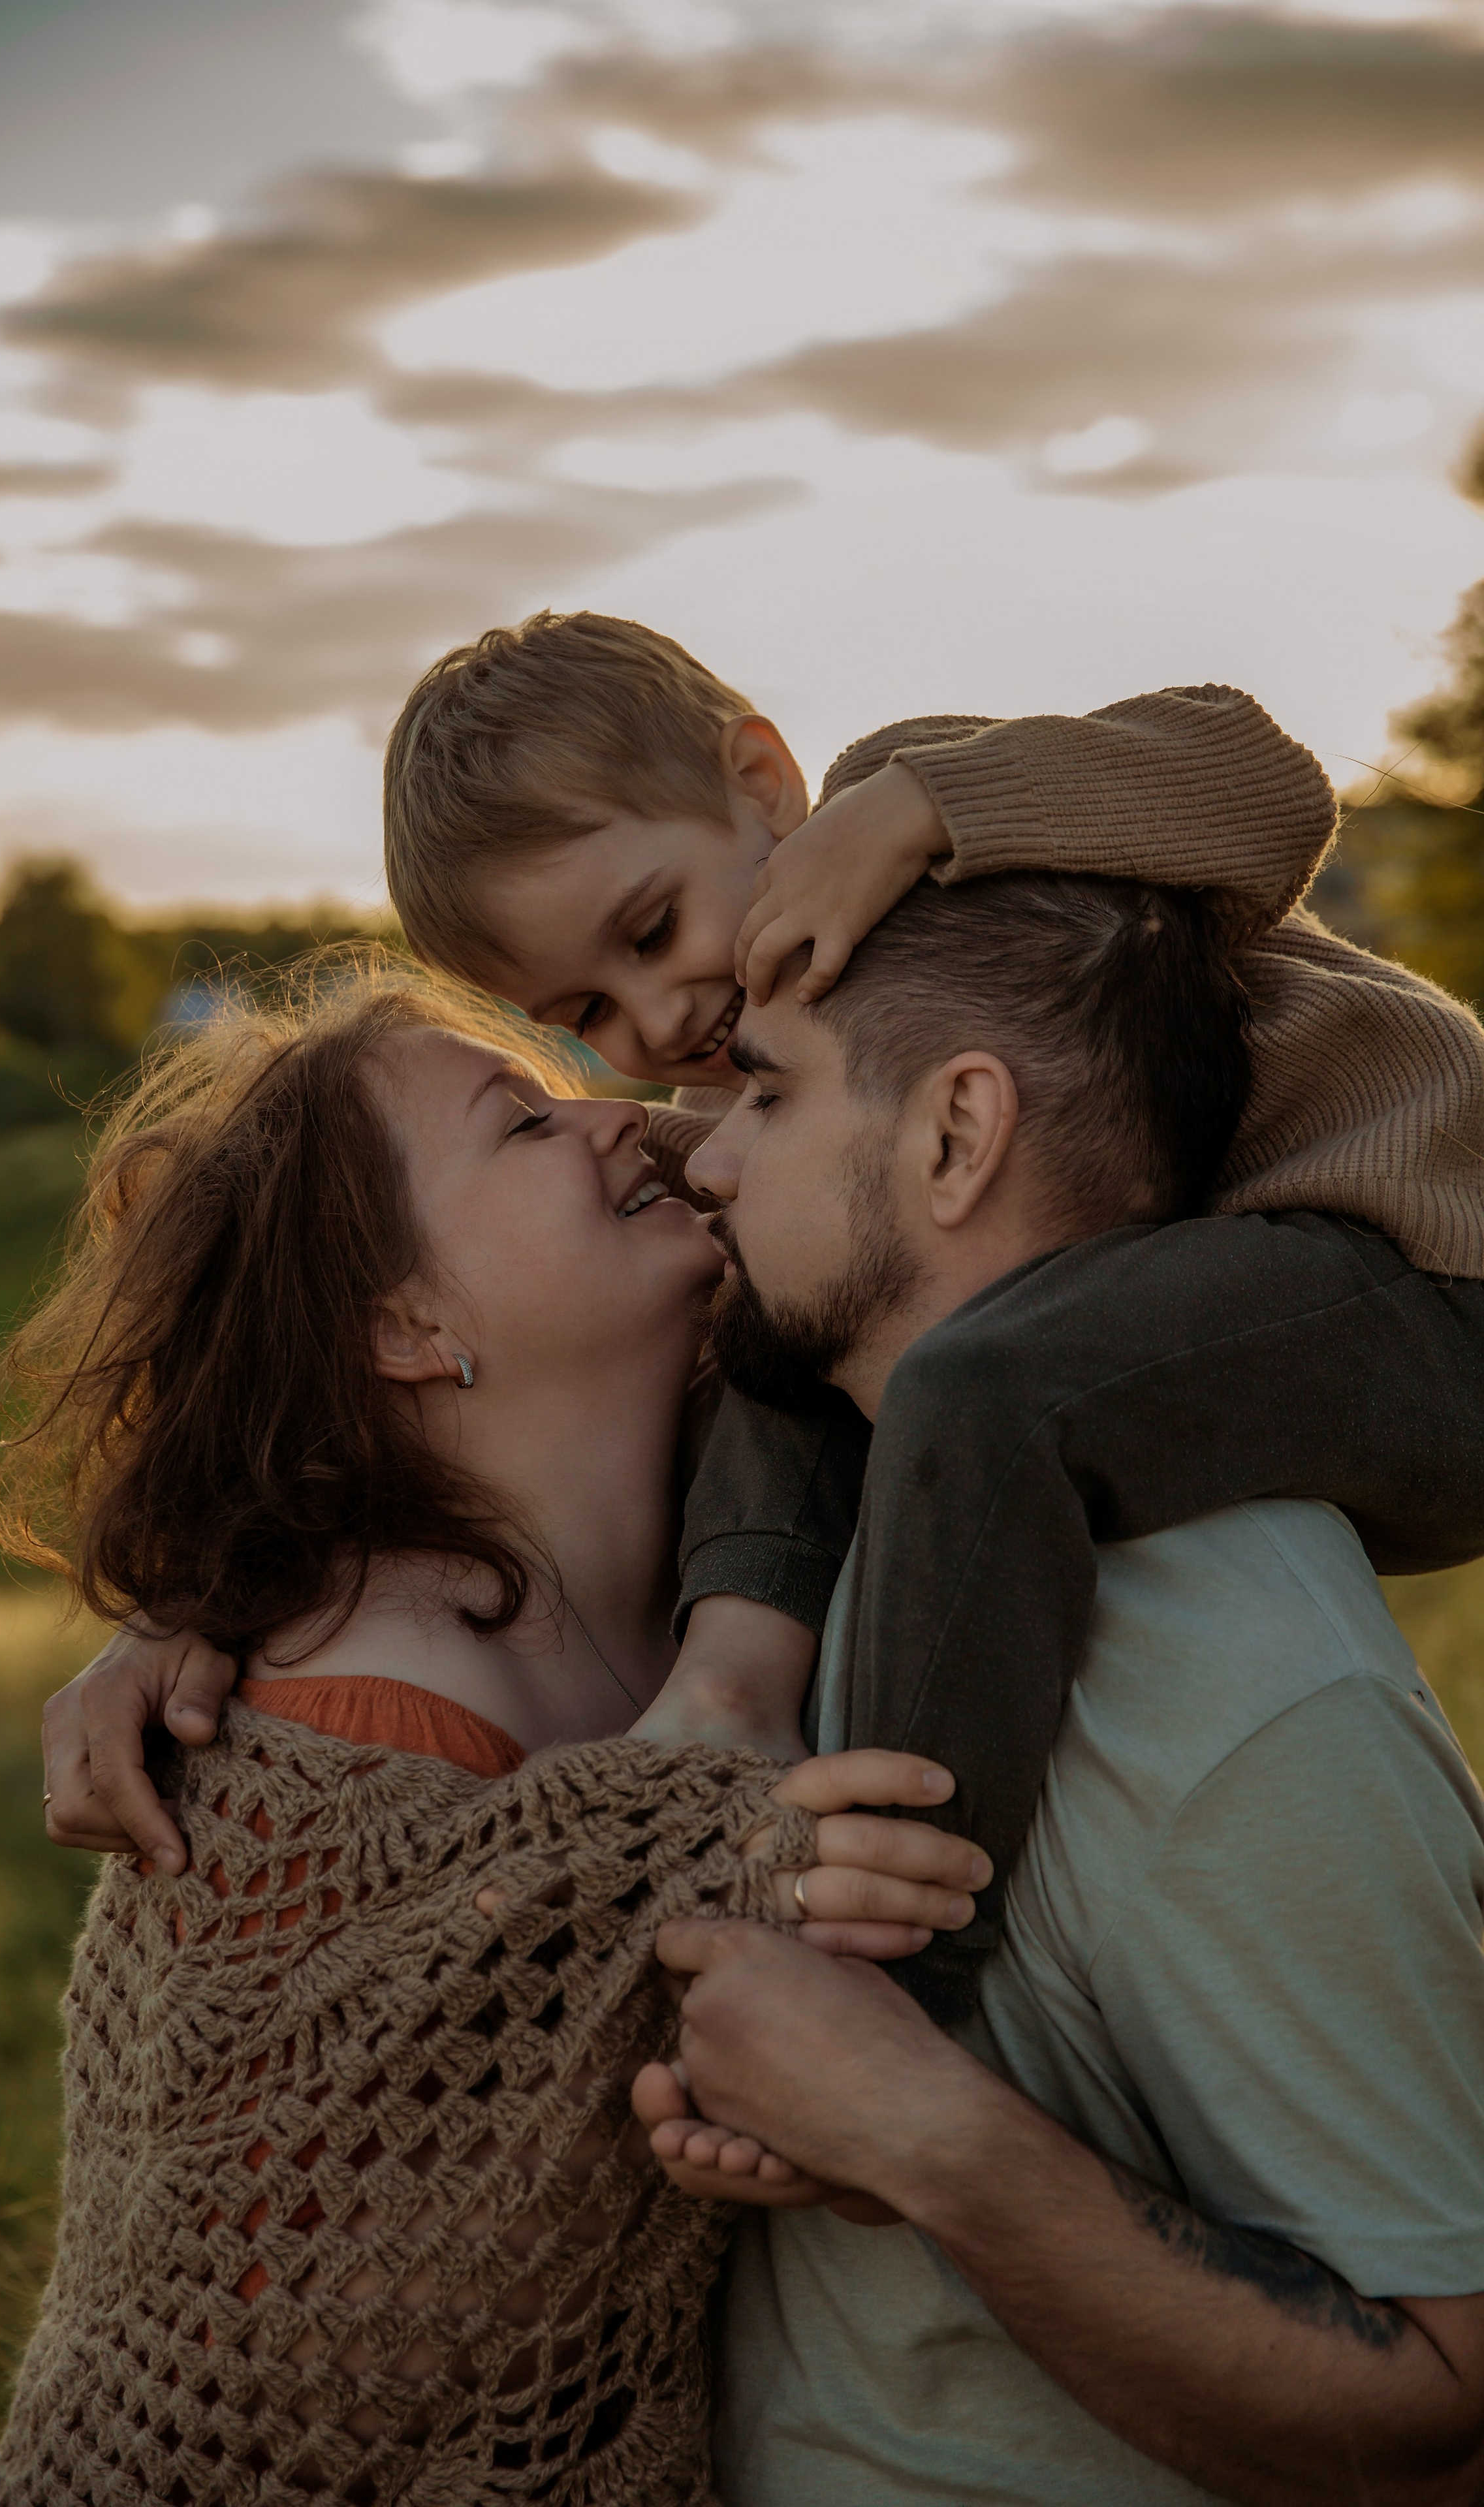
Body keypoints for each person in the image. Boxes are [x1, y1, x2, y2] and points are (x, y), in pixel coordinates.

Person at [44, 614, 1484, 2026]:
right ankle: (737, 1688)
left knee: (985, 1389)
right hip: (1215, 1331)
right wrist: (194, 1611)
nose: (657, 1014)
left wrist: (920, 808)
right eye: (581, 1014)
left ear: (759, 783)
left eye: (654, 926)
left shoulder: (914, 825)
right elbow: (480, 1295)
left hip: (1416, 1262)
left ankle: (889, 1983)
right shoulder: (738, 1095)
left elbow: (1259, 782)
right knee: (781, 1323)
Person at [0, 966, 978, 2506]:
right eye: (521, 1121)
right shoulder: (332, 1743)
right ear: (408, 1321)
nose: (621, 1119)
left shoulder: (751, 1525)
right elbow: (322, 2361)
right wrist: (726, 1917)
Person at [633, 873, 1484, 2504]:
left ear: (955, 1135)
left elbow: (1439, 2414)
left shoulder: (1237, 1678)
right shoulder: (811, 1551)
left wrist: (914, 2128)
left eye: (762, 1090)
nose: (709, 1154)